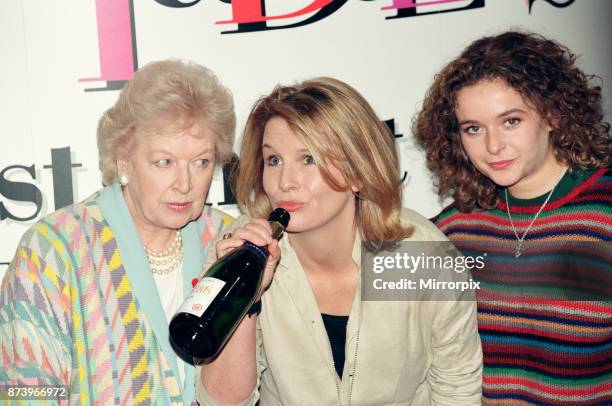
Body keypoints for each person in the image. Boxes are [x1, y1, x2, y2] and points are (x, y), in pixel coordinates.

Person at [197, 77, 483, 405]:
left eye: (309, 159)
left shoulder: (420, 254)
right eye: (273, 160)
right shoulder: (239, 251)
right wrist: (245, 295)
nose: (285, 182)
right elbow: (221, 402)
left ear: (359, 172)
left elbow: (457, 387)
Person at [0, 59, 235, 404]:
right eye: (164, 162)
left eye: (200, 162)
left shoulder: (227, 240)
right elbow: (23, 390)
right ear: (123, 160)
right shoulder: (54, 249)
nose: (185, 184)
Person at [413, 31, 612, 405]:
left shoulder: (604, 214)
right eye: (473, 128)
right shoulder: (453, 230)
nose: (492, 146)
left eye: (511, 121)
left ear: (553, 114)